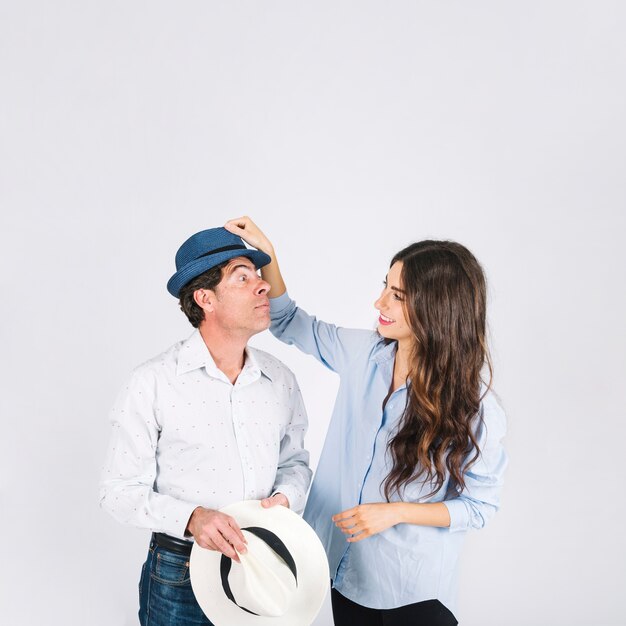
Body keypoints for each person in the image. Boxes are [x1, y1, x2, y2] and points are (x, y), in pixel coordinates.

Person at [225, 217, 507, 626]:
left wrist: (396, 512)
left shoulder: (476, 407)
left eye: (397, 296)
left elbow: (479, 507)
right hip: (345, 575)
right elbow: (288, 323)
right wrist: (267, 254)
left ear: (436, 310)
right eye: (384, 287)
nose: (379, 304)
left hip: (413, 592)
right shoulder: (363, 355)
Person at [99, 227, 312, 626]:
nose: (263, 286)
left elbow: (296, 462)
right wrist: (194, 517)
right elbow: (118, 491)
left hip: (266, 558)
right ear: (205, 299)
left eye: (257, 275)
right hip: (181, 571)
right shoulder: (153, 382)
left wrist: (286, 497)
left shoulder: (281, 379)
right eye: (242, 276)